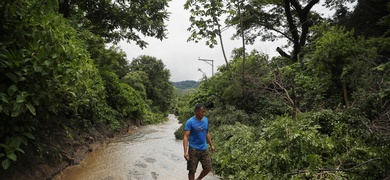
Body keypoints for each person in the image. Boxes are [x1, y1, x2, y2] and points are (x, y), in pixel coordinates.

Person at [183, 104, 216, 180]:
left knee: (208, 167)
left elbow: (207, 133)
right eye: (202, 112)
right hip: (193, 149)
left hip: (204, 148)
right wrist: (185, 152)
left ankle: (198, 179)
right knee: (192, 170)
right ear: (196, 111)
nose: (203, 113)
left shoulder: (206, 120)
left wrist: (211, 145)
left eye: (204, 112)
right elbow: (185, 137)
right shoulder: (190, 122)